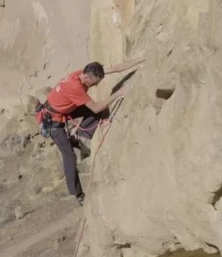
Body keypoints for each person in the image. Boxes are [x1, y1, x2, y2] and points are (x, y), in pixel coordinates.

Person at [38, 57, 144, 205]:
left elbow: (115, 68)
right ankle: (78, 194)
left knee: (99, 109)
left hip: (63, 109)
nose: (95, 85)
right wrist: (118, 94)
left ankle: (79, 138)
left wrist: (141, 59)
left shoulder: (85, 72)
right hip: (53, 121)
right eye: (94, 83)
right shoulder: (75, 87)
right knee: (69, 156)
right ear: (87, 77)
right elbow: (95, 107)